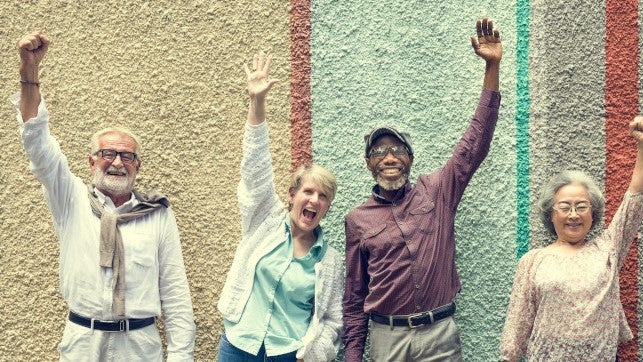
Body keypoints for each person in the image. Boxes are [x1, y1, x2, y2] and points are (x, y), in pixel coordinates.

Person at [13, 31, 196, 361]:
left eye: (127, 156)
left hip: (140, 347)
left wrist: (182, 356)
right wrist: (29, 75)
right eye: (108, 153)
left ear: (137, 167)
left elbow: (175, 292)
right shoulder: (70, 198)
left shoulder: (158, 214)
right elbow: (38, 145)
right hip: (83, 343)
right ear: (92, 161)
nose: (116, 162)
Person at [342, 17, 503, 361]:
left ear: (411, 159)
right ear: (369, 163)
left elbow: (476, 141)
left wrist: (492, 67)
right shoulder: (357, 221)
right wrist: (354, 354)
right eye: (379, 151)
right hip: (387, 338)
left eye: (398, 149)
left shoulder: (438, 190)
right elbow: (354, 296)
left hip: (440, 336)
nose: (389, 157)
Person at [216, 51, 344, 362]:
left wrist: (314, 355)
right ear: (292, 194)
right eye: (308, 191)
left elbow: (333, 321)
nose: (314, 200)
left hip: (287, 354)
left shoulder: (330, 261)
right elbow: (255, 167)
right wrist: (256, 104)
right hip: (238, 346)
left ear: (327, 207)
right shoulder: (264, 221)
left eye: (323, 196)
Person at [499, 118, 643, 360]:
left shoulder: (608, 250)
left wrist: (642, 147)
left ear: (592, 212)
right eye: (565, 207)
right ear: (551, 214)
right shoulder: (533, 261)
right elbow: (516, 328)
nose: (574, 215)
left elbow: (635, 199)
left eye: (581, 206)